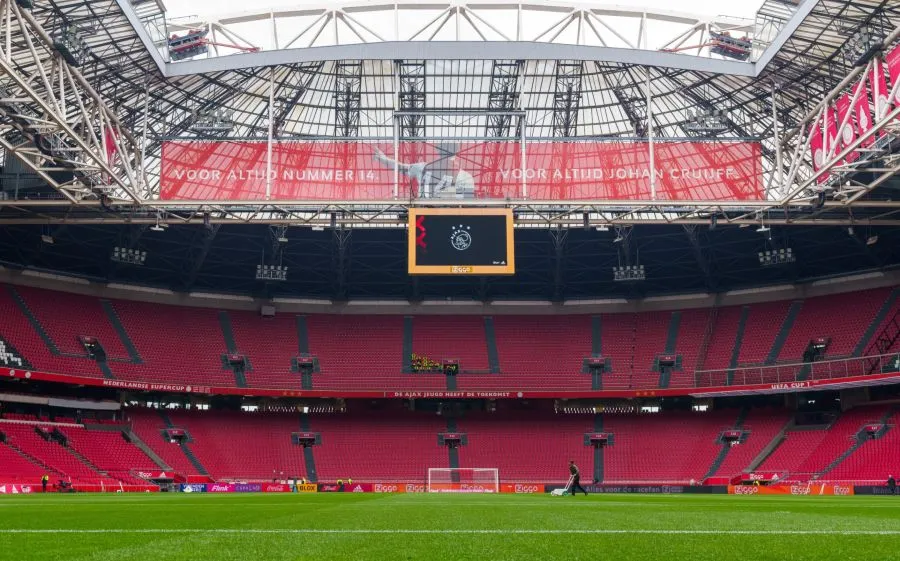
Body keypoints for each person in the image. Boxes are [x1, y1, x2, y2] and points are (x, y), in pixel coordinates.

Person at [373, 143, 475, 199]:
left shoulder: (464, 177)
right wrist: (384, 159)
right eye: (444, 148)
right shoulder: (423, 168)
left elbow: (466, 201)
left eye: (449, 149)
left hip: (447, 220)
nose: (446, 153)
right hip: (423, 219)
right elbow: (402, 168)